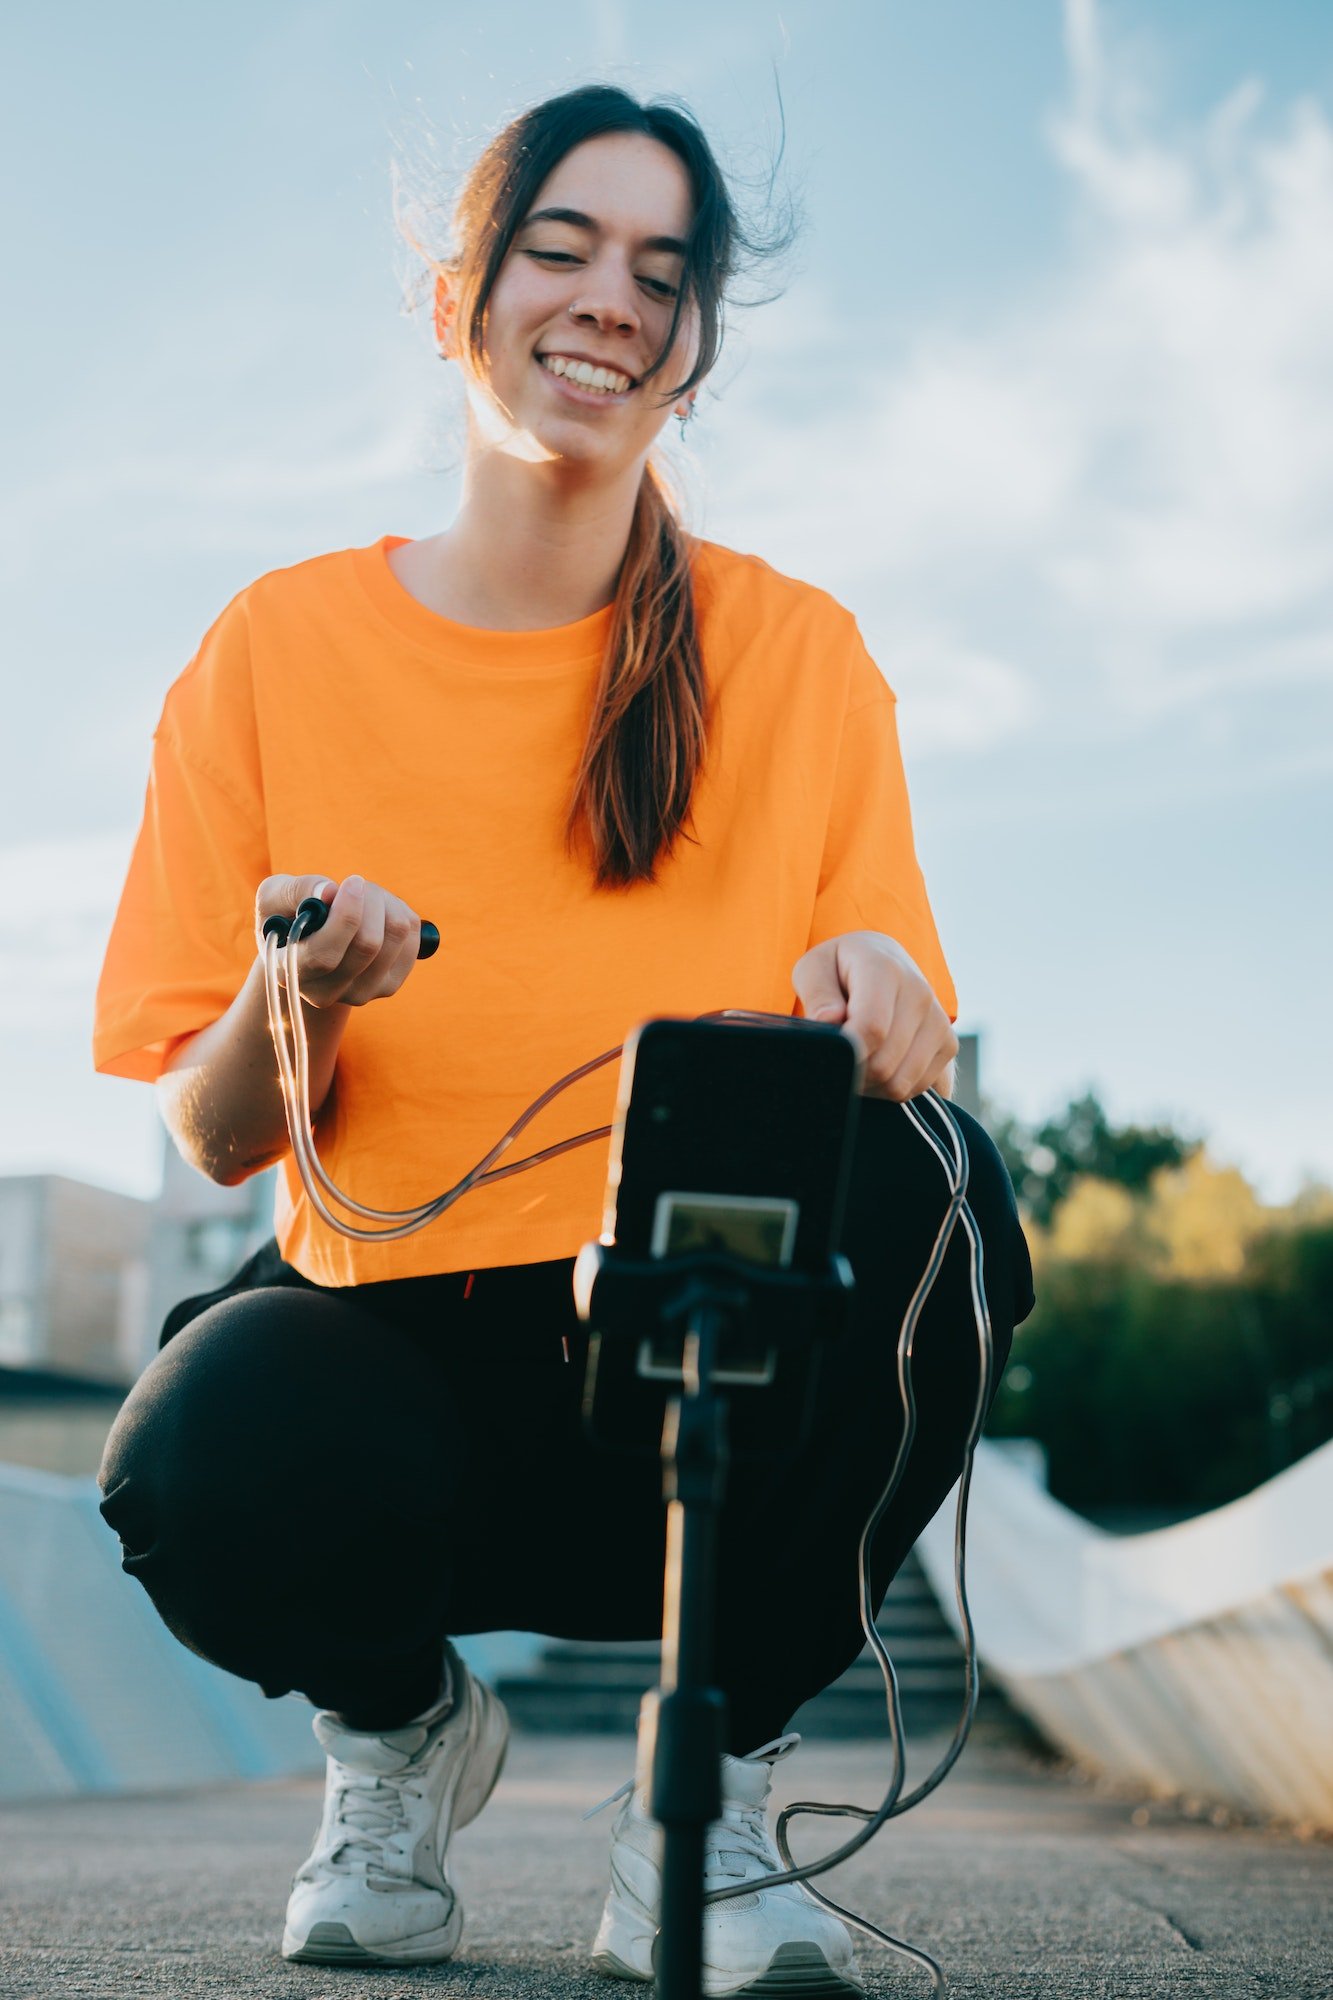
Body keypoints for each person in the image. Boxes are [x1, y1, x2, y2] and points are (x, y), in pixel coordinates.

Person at [92, 83, 1035, 1996]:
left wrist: (878, 990)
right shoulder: (271, 651)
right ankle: (402, 1742)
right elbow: (209, 1136)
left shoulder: (798, 660)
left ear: (691, 349)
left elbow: (903, 1045)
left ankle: (711, 1800)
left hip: (701, 1382)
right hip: (403, 1368)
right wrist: (303, 994)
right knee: (200, 1454)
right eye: (561, 247)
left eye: (661, 273)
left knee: (938, 1184)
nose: (611, 297)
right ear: (460, 294)